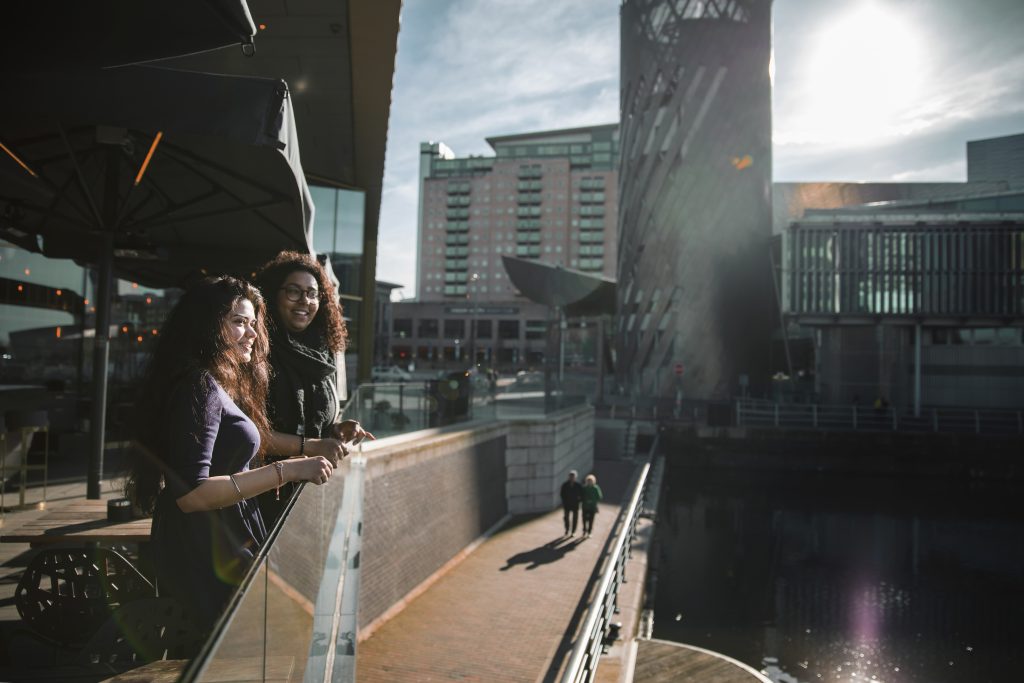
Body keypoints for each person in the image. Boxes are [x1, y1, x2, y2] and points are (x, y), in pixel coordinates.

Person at [126, 276, 336, 630]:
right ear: (206, 326)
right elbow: (192, 495)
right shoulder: (199, 385)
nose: (252, 334)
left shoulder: (210, 381)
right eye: (239, 322)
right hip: (204, 548)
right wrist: (289, 470)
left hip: (217, 537)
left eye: (253, 323)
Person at [254, 251, 374, 524]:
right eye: (294, 292)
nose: (305, 302)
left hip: (310, 494)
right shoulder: (256, 351)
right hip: (260, 494)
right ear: (273, 294)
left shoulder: (322, 352)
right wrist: (313, 446)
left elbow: (313, 419)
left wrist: (335, 429)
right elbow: (248, 432)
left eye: (312, 293)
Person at [559, 470, 583, 536]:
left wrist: (579, 501)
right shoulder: (565, 485)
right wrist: (564, 501)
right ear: (569, 477)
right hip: (567, 504)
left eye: (573, 477)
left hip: (575, 504)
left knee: (575, 518)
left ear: (575, 477)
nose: (572, 478)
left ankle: (573, 531)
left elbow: (582, 494)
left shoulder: (578, 485)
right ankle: (567, 529)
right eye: (571, 476)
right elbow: (562, 494)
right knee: (566, 518)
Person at [581, 474, 603, 538]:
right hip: (585, 506)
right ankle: (584, 530)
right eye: (588, 481)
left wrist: (593, 501)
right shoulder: (584, 488)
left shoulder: (596, 488)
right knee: (584, 519)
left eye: (591, 481)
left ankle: (589, 532)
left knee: (591, 520)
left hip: (592, 507)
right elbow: (581, 496)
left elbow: (599, 497)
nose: (589, 482)